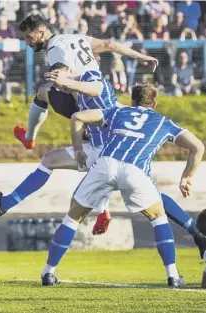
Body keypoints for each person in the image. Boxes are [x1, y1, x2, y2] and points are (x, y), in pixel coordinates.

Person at [0, 14, 206, 257]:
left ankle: (56, 260)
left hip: (101, 135)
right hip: (104, 125)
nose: (27, 43)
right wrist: (140, 56)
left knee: (46, 94)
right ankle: (8, 201)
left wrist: (62, 79)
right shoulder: (76, 40)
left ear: (40, 32)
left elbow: (67, 77)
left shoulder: (57, 52)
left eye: (28, 37)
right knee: (53, 148)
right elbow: (111, 45)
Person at [39, 84, 204, 287]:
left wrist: (78, 149)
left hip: (105, 164)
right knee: (158, 218)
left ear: (132, 101)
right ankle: (173, 276)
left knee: (72, 218)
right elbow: (198, 146)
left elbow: (78, 117)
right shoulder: (164, 122)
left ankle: (48, 273)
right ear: (154, 103)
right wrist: (187, 176)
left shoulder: (118, 111)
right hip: (135, 171)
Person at [0, 61, 117, 219]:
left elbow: (97, 89)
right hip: (100, 149)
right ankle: (5, 204)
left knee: (146, 196)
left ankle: (103, 212)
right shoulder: (77, 98)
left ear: (69, 69)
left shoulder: (89, 77)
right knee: (49, 160)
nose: (61, 86)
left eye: (59, 77)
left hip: (114, 149)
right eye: (58, 84)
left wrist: (67, 82)